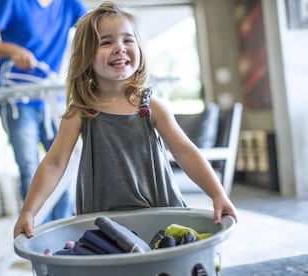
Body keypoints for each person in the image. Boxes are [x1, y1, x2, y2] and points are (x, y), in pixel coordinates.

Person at [14, 1, 237, 238]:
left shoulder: (153, 108)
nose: (119, 47)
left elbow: (185, 152)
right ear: (86, 56)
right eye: (106, 42)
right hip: (103, 222)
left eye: (128, 40)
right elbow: (53, 164)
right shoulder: (80, 112)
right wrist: (29, 211)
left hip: (160, 211)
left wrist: (217, 194)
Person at [0, 0, 87, 222]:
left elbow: (94, 26)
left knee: (67, 162)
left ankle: (62, 233)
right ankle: (35, 235)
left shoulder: (68, 4)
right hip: (17, 100)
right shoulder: (10, 2)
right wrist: (13, 50)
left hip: (52, 98)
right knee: (29, 168)